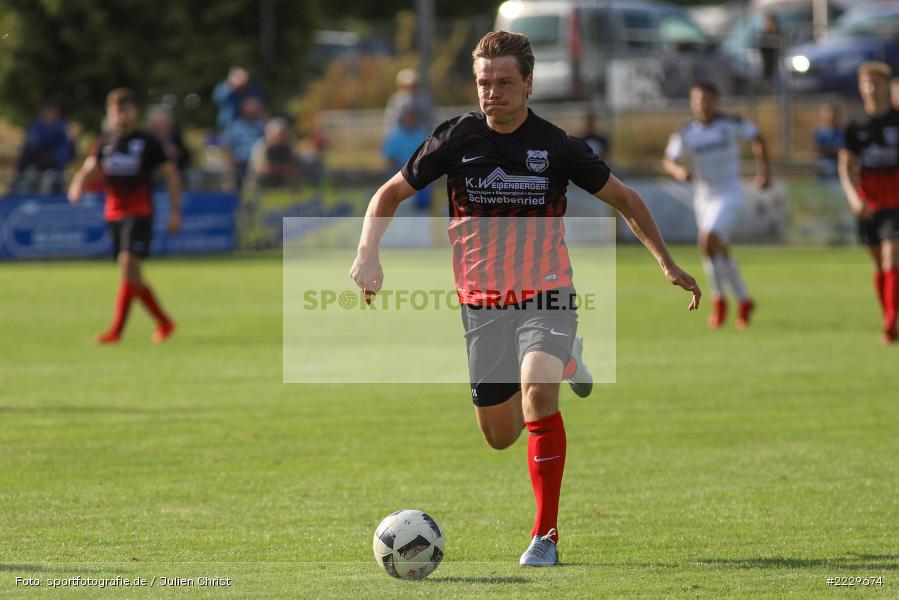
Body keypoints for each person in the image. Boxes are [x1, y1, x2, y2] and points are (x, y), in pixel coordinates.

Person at [349, 31, 700, 567]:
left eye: (505, 82)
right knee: (499, 436)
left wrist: (667, 263)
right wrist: (367, 253)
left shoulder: (556, 146)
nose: (493, 93)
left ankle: (545, 536)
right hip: (482, 306)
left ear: (529, 84)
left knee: (538, 392)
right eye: (485, 83)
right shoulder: (456, 138)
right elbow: (389, 193)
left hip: (546, 293)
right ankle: (571, 360)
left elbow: (625, 199)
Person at [68, 88, 181, 344]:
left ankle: (116, 332)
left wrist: (175, 211)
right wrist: (77, 184)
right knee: (134, 277)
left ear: (135, 111)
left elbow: (171, 174)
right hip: (113, 212)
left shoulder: (148, 142)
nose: (121, 115)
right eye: (116, 110)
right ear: (109, 113)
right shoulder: (106, 142)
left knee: (127, 263)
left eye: (126, 109)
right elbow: (90, 168)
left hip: (140, 211)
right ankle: (164, 322)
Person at [663, 82, 770, 329]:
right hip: (704, 197)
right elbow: (668, 160)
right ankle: (744, 300)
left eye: (707, 99)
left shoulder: (730, 124)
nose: (702, 104)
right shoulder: (686, 131)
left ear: (715, 100)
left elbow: (758, 138)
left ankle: (719, 300)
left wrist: (764, 172)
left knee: (707, 240)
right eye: (697, 100)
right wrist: (678, 170)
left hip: (730, 193)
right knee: (715, 249)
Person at [839, 62, 899, 344]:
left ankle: (890, 322)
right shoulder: (855, 126)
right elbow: (846, 167)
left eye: (876, 82)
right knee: (878, 264)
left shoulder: (897, 121)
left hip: (896, 203)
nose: (871, 87)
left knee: (891, 256)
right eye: (866, 83)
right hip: (868, 205)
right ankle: (888, 314)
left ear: (887, 86)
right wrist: (853, 197)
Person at [14, 103, 74, 194]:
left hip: (55, 163)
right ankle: (22, 177)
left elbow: (67, 147)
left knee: (59, 156)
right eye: (45, 114)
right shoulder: (35, 127)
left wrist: (53, 157)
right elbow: (31, 145)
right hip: (36, 161)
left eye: (50, 113)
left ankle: (54, 177)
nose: (48, 116)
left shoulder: (62, 128)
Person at [381, 103, 430, 211]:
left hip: (419, 179)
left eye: (413, 116)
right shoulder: (394, 136)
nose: (410, 119)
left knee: (422, 213)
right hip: (399, 178)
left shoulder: (422, 134)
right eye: (408, 116)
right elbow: (388, 158)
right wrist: (404, 170)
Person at [223, 97, 266, 190]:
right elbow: (229, 146)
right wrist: (231, 163)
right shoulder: (236, 126)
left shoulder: (260, 125)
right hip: (240, 162)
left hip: (256, 163)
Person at [248, 117, 299, 189]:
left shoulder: (287, 147)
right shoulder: (261, 146)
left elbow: (293, 167)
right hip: (260, 183)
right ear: (270, 133)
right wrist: (283, 169)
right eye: (281, 133)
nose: (284, 136)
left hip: (281, 183)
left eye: (285, 133)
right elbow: (261, 169)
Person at [212, 66, 265, 133]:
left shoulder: (253, 89)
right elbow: (217, 100)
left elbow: (259, 105)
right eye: (238, 76)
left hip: (249, 126)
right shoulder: (224, 87)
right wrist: (231, 87)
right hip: (227, 126)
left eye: (243, 76)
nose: (241, 79)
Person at [383, 68, 434, 134]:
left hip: (421, 135)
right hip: (401, 136)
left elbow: (430, 119)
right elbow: (390, 121)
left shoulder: (423, 99)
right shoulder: (396, 99)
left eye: (413, 85)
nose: (410, 88)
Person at [147, 105, 191, 178]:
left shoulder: (175, 137)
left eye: (163, 122)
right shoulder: (147, 139)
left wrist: (179, 154)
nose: (161, 126)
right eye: (158, 123)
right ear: (152, 125)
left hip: (177, 175)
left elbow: (187, 157)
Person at [813, 103, 844, 180]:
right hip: (825, 162)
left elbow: (843, 150)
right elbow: (817, 149)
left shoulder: (842, 131)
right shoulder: (820, 132)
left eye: (833, 113)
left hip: (840, 163)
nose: (831, 116)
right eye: (828, 113)